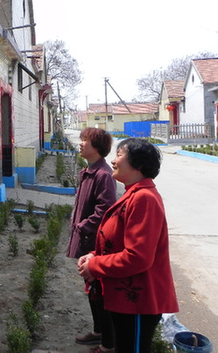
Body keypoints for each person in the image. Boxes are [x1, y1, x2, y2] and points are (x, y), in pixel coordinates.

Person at [78, 138, 179, 353]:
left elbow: (138, 257)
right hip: (124, 298)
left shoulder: (144, 199)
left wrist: (95, 266)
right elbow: (118, 241)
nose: (113, 161)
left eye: (119, 155)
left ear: (138, 164)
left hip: (138, 302)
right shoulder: (132, 194)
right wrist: (93, 255)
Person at [66, 128, 116, 352]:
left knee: (98, 289)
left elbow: (105, 208)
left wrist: (82, 226)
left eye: (85, 140)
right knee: (91, 287)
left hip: (94, 241)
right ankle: (98, 332)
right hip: (85, 237)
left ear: (97, 148)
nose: (81, 144)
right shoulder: (88, 171)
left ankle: (106, 340)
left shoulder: (103, 175)